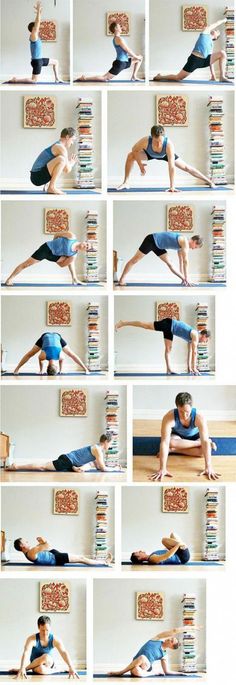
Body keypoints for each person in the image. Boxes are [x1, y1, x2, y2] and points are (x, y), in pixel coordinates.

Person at [117, 125, 215, 191]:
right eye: (156, 141)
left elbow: (171, 167)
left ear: (163, 136)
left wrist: (172, 187)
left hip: (165, 155)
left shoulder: (168, 144)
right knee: (130, 155)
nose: (158, 143)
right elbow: (135, 150)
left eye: (160, 141)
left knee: (187, 168)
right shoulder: (145, 141)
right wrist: (140, 165)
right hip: (149, 154)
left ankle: (209, 181)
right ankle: (126, 182)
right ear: (152, 137)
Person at [149, 391, 220, 482]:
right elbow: (164, 442)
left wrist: (208, 467)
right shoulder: (169, 417)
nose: (184, 415)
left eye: (187, 412)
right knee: (171, 442)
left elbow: (205, 441)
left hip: (195, 437)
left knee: (203, 452)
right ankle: (196, 444)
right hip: (178, 438)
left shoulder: (199, 417)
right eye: (181, 412)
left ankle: (174, 450)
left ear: (191, 407)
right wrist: (162, 468)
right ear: (177, 407)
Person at [115, 318, 211, 375]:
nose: (204, 342)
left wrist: (190, 367)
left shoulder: (193, 338)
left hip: (171, 329)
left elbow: (190, 352)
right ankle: (123, 322)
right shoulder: (195, 334)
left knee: (168, 349)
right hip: (169, 324)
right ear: (204, 335)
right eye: (206, 340)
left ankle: (168, 369)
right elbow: (194, 352)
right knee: (146, 325)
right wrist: (194, 368)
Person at [154, 18, 232, 83]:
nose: (215, 30)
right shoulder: (205, 33)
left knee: (222, 53)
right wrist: (224, 20)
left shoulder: (211, 44)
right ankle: (159, 77)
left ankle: (222, 77)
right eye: (215, 30)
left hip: (204, 61)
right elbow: (213, 25)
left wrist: (213, 76)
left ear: (215, 37)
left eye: (217, 32)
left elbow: (210, 60)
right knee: (178, 78)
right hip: (195, 59)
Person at [108, 625, 201, 677]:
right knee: (136, 671)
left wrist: (181, 673)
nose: (169, 639)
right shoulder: (156, 639)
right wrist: (190, 627)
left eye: (171, 641)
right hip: (136, 662)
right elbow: (174, 630)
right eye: (171, 638)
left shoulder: (164, 655)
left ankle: (121, 672)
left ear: (171, 647)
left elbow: (167, 671)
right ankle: (153, 673)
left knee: (142, 657)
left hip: (146, 665)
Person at [6, 434, 124, 473]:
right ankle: (16, 466)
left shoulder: (97, 448)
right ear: (106, 441)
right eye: (110, 443)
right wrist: (115, 469)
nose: (110, 446)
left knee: (88, 466)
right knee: (43, 466)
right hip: (67, 460)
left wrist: (113, 467)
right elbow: (103, 468)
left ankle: (16, 465)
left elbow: (98, 466)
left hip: (69, 461)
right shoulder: (98, 450)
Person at [118, 232, 203, 286]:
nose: (194, 249)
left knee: (170, 263)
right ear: (194, 241)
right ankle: (121, 280)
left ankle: (184, 280)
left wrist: (184, 279)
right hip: (151, 240)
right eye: (195, 247)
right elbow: (186, 262)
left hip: (159, 246)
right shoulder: (185, 242)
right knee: (135, 260)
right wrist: (187, 277)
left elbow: (181, 261)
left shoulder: (183, 247)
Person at [5, 232, 88, 286]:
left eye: (87, 248)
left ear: (84, 251)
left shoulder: (73, 255)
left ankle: (74, 279)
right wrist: (54, 243)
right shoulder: (71, 236)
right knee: (26, 264)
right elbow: (57, 234)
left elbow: (63, 265)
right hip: (46, 248)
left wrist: (74, 277)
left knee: (70, 260)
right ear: (84, 241)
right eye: (87, 244)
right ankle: (9, 280)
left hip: (53, 256)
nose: (86, 246)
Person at [12, 615, 79, 679]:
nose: (45, 633)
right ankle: (59, 670)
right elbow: (26, 653)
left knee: (45, 657)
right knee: (41, 670)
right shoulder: (32, 639)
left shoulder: (55, 639)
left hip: (48, 662)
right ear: (38, 627)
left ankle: (25, 669)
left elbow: (63, 652)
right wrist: (22, 666)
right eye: (42, 630)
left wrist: (71, 666)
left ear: (50, 627)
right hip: (35, 665)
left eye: (47, 630)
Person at [9, 2, 62, 84]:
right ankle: (15, 79)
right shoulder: (33, 36)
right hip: (36, 61)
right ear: (33, 29)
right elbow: (37, 22)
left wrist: (39, 13)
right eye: (36, 27)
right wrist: (38, 13)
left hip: (40, 60)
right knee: (34, 81)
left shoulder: (36, 37)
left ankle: (57, 79)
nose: (38, 27)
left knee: (56, 62)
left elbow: (37, 23)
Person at [78, 21, 143, 82]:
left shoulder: (117, 38)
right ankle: (84, 78)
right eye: (119, 26)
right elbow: (128, 50)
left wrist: (136, 57)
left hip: (124, 62)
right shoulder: (118, 39)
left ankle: (134, 76)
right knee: (104, 78)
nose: (121, 27)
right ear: (115, 28)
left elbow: (124, 52)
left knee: (140, 58)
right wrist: (136, 57)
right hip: (120, 63)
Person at [13, 331, 89, 376]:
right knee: (72, 354)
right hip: (48, 336)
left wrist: (41, 371)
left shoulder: (60, 356)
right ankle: (85, 369)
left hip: (55, 337)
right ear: (47, 367)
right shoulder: (44, 356)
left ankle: (16, 369)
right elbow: (40, 359)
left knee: (30, 354)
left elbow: (61, 360)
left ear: (56, 366)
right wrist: (41, 370)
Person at [30, 127, 77, 195]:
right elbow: (67, 170)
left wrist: (69, 163)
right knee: (62, 159)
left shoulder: (57, 145)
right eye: (72, 140)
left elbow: (63, 168)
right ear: (67, 137)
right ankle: (51, 187)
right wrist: (72, 163)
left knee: (61, 159)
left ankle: (48, 184)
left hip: (38, 175)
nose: (72, 143)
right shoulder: (60, 148)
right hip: (37, 177)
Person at [13, 536, 113, 567]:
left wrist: (42, 543)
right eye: (25, 542)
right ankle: (105, 563)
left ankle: (102, 561)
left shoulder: (30, 552)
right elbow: (47, 545)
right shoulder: (30, 553)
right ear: (22, 546)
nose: (27, 542)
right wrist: (43, 541)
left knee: (81, 558)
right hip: (56, 558)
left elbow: (46, 547)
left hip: (53, 554)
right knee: (82, 559)